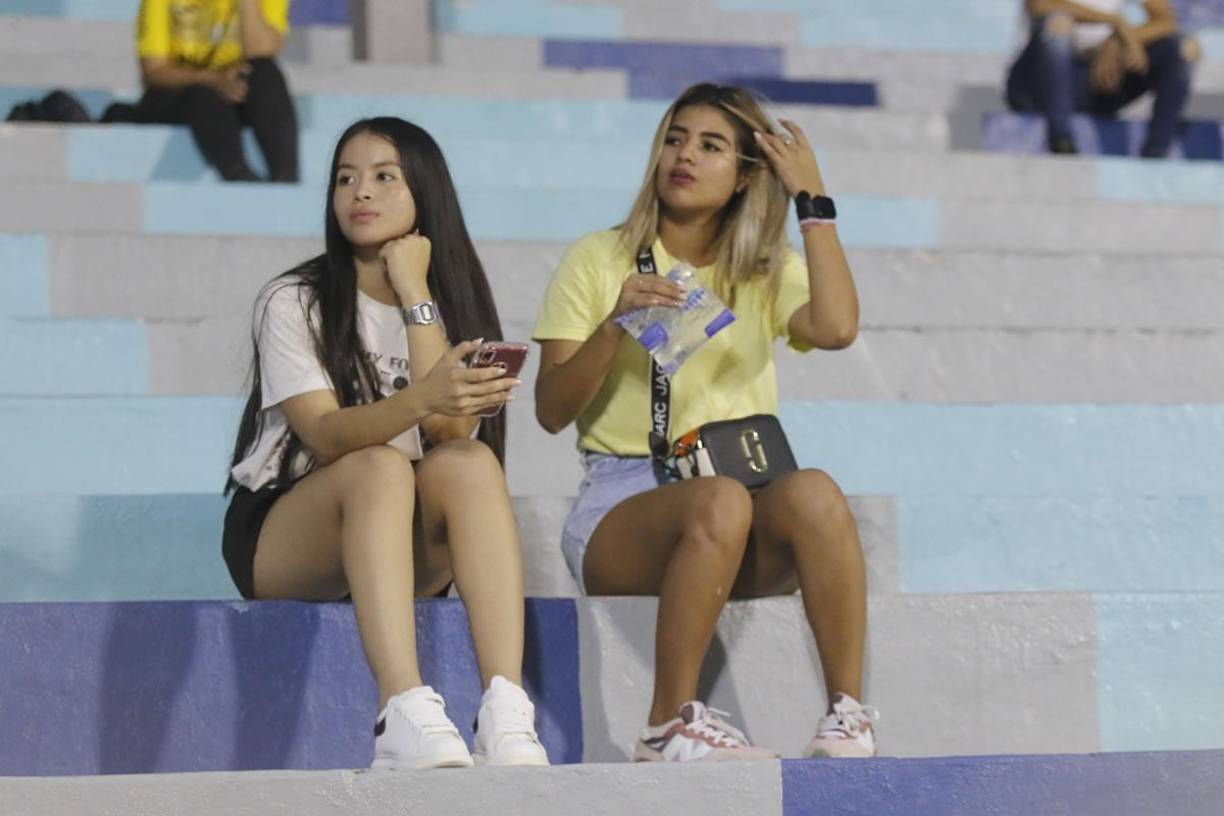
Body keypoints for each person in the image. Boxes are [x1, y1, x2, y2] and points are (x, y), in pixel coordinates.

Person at [532, 83, 878, 761]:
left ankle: (846, 715)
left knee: (816, 492)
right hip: (623, 505)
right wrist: (615, 326)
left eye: (710, 145)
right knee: (718, 501)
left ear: (747, 173)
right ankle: (667, 724)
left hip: (740, 503)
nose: (684, 155)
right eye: (674, 137)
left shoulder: (765, 268)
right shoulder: (598, 258)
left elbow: (837, 328)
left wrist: (814, 205)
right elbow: (550, 411)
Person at [224, 117, 548, 770]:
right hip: (290, 535)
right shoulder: (293, 301)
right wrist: (422, 398)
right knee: (379, 466)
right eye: (345, 178)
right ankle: (400, 704)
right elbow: (324, 433)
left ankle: (506, 707)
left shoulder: (443, 303)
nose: (359, 193)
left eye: (383, 178)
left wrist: (415, 293)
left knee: (469, 461)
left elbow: (450, 435)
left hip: (397, 536)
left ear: (424, 195)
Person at [1006, 0, 1198, 156]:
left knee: (1184, 48)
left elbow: (1166, 22)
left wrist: (1116, 40)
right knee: (1058, 24)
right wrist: (1113, 22)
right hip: (1038, 84)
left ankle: (1155, 152)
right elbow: (1039, 5)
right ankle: (1061, 140)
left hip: (1096, 80)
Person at [135, 0, 299, 181]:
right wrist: (213, 79)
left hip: (235, 89)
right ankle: (239, 175)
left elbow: (260, 52)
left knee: (265, 73)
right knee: (202, 96)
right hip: (180, 92)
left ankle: (286, 178)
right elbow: (154, 71)